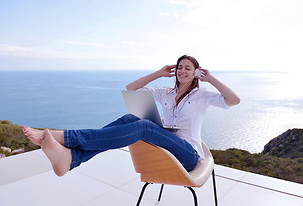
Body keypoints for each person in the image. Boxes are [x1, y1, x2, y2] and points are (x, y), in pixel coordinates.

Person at [23, 55, 240, 177]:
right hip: (167, 143)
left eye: (188, 68)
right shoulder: (166, 92)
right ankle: (72, 158)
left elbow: (233, 100)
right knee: (130, 119)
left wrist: (210, 79)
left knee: (144, 127)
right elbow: (131, 88)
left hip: (188, 155)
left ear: (195, 73)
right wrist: (158, 73)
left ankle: (68, 139)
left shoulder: (202, 95)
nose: (182, 71)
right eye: (179, 68)